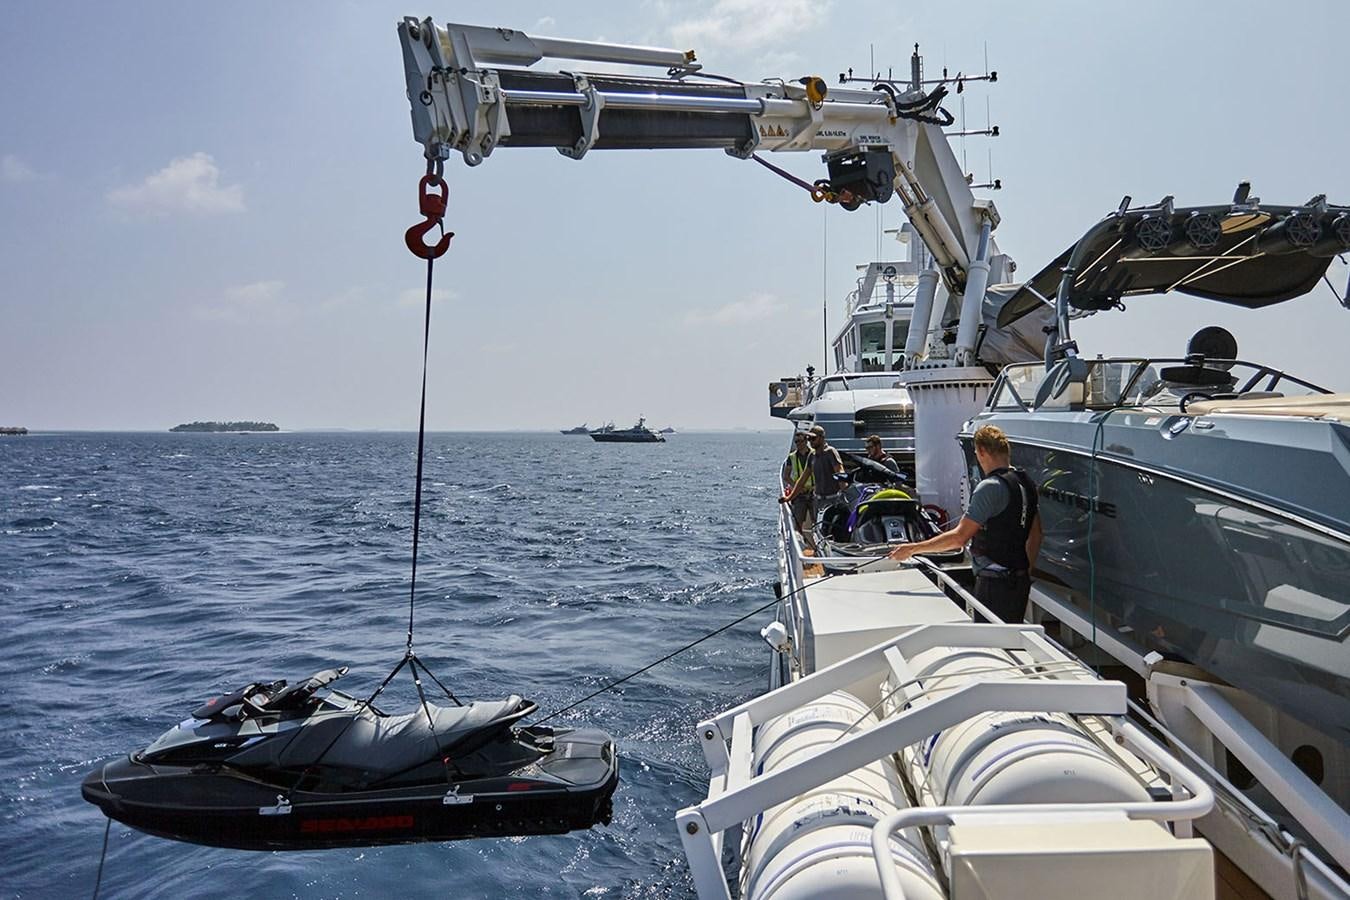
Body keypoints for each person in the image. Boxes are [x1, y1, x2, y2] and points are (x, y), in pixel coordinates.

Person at [887, 424, 1042, 623]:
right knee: (1012, 640)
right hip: (1019, 583)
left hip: (994, 585)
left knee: (992, 644)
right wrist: (1024, 572)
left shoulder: (990, 487)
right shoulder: (1027, 483)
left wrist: (912, 549)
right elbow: (1036, 535)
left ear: (983, 451)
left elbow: (959, 538)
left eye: (976, 453)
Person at [780, 425, 847, 511]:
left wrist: (845, 491)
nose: (810, 441)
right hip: (818, 501)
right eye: (809, 439)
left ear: (822, 438)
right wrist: (789, 498)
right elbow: (802, 480)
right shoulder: (812, 456)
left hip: (834, 499)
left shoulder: (830, 452)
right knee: (817, 524)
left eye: (813, 438)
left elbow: (840, 471)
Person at [780, 431, 815, 536]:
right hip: (799, 495)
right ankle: (800, 541)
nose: (798, 444)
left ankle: (817, 542)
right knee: (798, 520)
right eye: (796, 441)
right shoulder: (792, 457)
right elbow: (786, 476)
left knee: (816, 520)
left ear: (806, 441)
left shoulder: (814, 454)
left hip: (814, 492)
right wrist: (797, 487)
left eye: (800, 441)